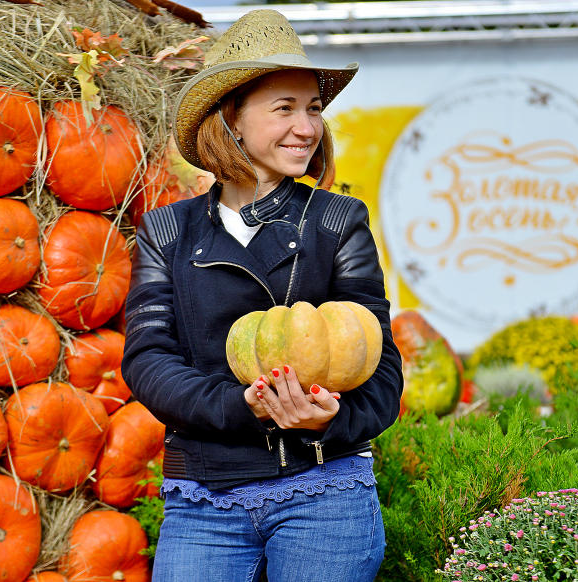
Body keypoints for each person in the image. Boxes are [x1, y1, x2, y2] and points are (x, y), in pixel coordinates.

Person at [121, 9, 403, 582]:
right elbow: (148, 359)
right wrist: (241, 405)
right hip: (205, 497)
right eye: (285, 109)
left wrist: (334, 417)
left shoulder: (338, 222)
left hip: (323, 491)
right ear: (231, 118)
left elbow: (380, 363)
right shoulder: (167, 232)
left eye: (314, 109)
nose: (307, 127)